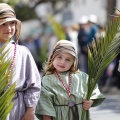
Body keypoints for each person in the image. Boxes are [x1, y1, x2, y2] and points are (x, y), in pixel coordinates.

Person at [35, 40, 105, 120]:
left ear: (73, 62)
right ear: (52, 57)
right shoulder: (46, 81)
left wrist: (90, 101)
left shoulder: (82, 77)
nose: (62, 62)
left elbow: (94, 91)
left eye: (68, 60)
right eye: (59, 57)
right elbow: (45, 107)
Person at [0, 3, 41, 120]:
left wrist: (30, 110)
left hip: (19, 109)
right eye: (3, 24)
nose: (9, 28)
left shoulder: (23, 52)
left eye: (12, 23)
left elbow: (34, 84)